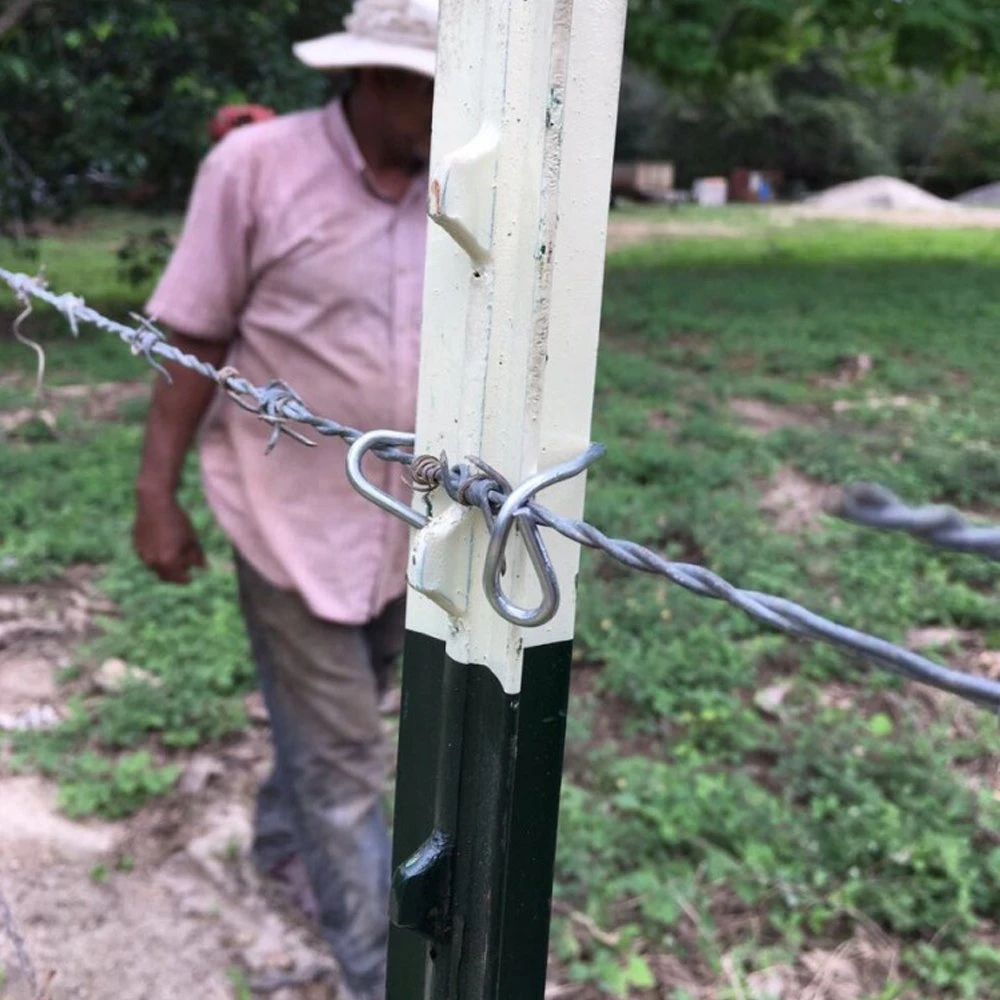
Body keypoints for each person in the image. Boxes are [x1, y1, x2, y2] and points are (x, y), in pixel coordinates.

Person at [131, 2, 438, 997]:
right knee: (346, 759)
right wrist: (156, 494)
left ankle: (278, 837)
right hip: (287, 518)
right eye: (435, 84)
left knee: (351, 708)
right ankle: (378, 969)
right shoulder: (255, 170)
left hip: (413, 527)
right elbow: (194, 335)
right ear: (376, 79)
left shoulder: (470, 187)